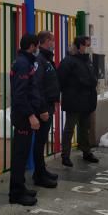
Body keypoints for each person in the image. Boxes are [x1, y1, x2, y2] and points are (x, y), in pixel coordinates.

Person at [8, 33, 47, 205]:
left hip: (25, 114)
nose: (37, 49)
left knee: (22, 155)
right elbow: (20, 94)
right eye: (36, 46)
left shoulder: (23, 61)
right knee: (20, 155)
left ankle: (20, 187)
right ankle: (16, 193)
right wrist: (31, 115)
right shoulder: (23, 64)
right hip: (23, 117)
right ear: (32, 46)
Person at [58, 35, 99, 167]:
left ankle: (86, 152)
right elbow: (61, 80)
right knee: (69, 128)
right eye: (86, 45)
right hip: (74, 101)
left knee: (85, 127)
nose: (88, 48)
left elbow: (93, 77)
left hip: (86, 101)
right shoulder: (68, 61)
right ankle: (65, 156)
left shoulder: (87, 60)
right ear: (80, 45)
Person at [32, 30, 61, 188]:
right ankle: (39, 175)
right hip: (42, 108)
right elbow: (37, 86)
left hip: (48, 105)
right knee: (39, 142)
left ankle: (42, 171)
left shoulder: (48, 59)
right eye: (52, 40)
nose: (54, 44)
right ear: (45, 41)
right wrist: (42, 109)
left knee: (42, 142)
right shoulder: (40, 60)